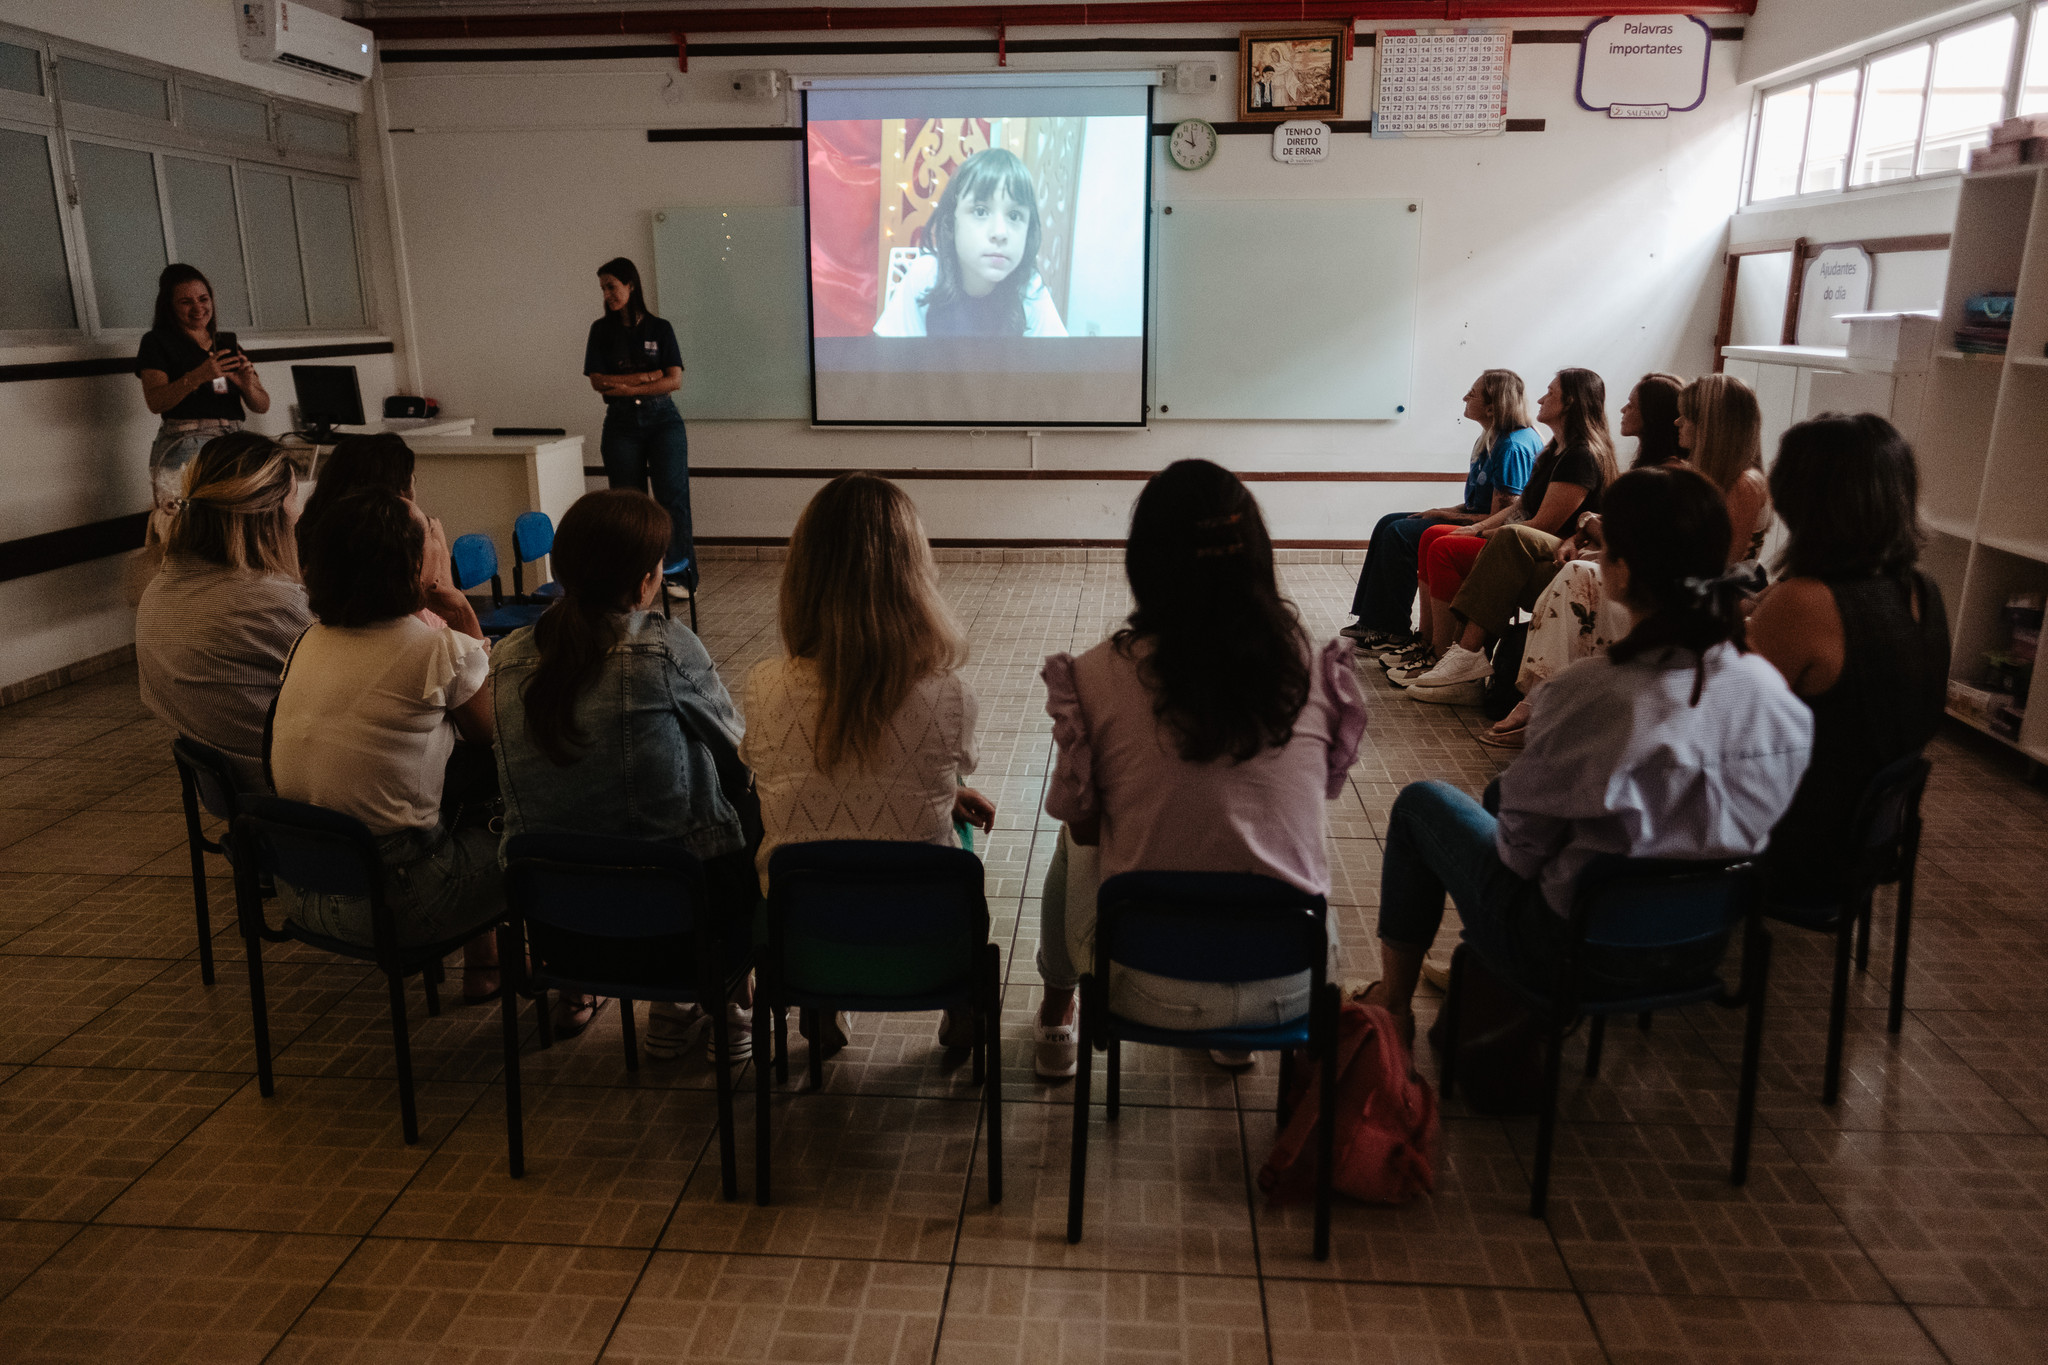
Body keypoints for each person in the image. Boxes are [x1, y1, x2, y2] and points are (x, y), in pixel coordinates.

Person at [1361, 465, 1814, 1040]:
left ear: (1620, 572)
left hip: (1573, 949)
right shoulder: (1777, 699)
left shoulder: (1591, 692)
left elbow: (1519, 853)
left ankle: (1392, 1005)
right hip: (1701, 947)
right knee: (1516, 797)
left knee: (1423, 804)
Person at [1032, 460, 1367, 1079]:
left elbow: (1085, 832)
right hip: (1292, 982)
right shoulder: (1319, 668)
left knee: (1071, 836)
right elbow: (1315, 791)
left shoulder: (1094, 677)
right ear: (1257, 555)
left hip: (1142, 978)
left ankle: (1057, 1015)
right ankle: (1237, 1038)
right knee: (1261, 839)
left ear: (1146, 563)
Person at [490, 489, 756, 1056]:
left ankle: (669, 1012)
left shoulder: (505, 659)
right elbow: (744, 755)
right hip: (678, 933)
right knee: (744, 798)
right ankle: (728, 1005)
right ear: (644, 583)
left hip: (566, 939)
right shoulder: (663, 647)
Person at [739, 473, 996, 1052]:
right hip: (923, 923)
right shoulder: (949, 694)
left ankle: (819, 1004)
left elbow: (777, 770)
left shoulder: (764, 684)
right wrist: (944, 790)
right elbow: (949, 761)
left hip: (798, 925)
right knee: (954, 847)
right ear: (915, 575)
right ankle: (959, 1007)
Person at [269, 489, 501, 1001]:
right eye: (428, 528)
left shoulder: (306, 640)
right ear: (416, 561)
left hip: (302, 889)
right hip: (400, 899)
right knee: (522, 817)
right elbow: (495, 735)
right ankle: (553, 971)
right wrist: (462, 612)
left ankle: (492, 962)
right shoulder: (438, 649)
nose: (439, 529)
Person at [1480, 373, 1765, 744]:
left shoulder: (1744, 483)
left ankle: (1539, 703)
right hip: (1677, 585)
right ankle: (1543, 701)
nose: (1677, 422)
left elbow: (1713, 564)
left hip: (1703, 600)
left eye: (1687, 416)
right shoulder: (1697, 475)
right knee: (1579, 573)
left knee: (1578, 577)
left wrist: (1614, 549)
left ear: (1712, 424)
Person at [1748, 414, 1950, 908]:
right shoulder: (1922, 591)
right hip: (1873, 835)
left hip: (1801, 848)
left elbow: (1723, 722)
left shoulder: (1805, 601)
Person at [1390, 368, 1616, 697]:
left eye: (1550, 393)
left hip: (1551, 554)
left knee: (1445, 547)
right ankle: (1433, 646)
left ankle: (1450, 655)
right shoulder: (1556, 449)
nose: (1540, 398)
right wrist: (1477, 528)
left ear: (1569, 402)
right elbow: (1521, 504)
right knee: (1437, 537)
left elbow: (1543, 525)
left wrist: (1483, 536)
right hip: (1532, 546)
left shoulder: (1581, 456)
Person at [135, 433, 310, 792]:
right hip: (298, 799)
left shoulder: (158, 589)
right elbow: (368, 686)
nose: (299, 512)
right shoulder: (271, 603)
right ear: (272, 512)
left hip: (228, 793)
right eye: (296, 497)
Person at [1339, 370, 1540, 649]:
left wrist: (1448, 517)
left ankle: (1391, 627)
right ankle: (1373, 619)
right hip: (1475, 518)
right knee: (1389, 522)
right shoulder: (1492, 438)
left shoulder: (1513, 447)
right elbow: (1478, 501)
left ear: (1492, 406)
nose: (1464, 397)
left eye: (1472, 393)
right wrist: (1444, 509)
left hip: (1490, 532)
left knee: (1400, 532)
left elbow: (1500, 517)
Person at [135, 264, 270, 546]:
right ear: (169, 307)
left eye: (203, 299)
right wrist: (199, 376)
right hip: (184, 443)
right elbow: (155, 400)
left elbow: (261, 405)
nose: (197, 308)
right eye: (186, 301)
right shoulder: (156, 342)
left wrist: (246, 382)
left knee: (235, 535)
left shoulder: (224, 342)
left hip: (232, 442)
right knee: (184, 536)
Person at [584, 256, 695, 597]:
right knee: (628, 501)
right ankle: (635, 575)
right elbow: (598, 382)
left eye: (612, 286)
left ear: (630, 285)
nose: (607, 295)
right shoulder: (600, 331)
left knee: (672, 497)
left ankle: (679, 575)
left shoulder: (660, 328)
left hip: (663, 420)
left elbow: (673, 381)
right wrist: (647, 376)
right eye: (603, 288)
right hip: (621, 424)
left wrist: (629, 388)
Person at [873, 149, 1068, 338]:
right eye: (980, 211)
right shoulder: (927, 276)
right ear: (951, 221)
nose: (1000, 233)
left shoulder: (1028, 288)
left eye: (1015, 216)